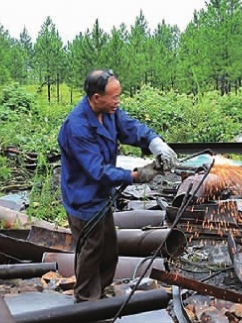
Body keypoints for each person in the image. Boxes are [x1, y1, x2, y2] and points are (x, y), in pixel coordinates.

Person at [57, 69, 178, 302]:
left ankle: (102, 291)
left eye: (118, 96)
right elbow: (97, 170)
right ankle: (85, 301)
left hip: (101, 197)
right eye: (114, 97)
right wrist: (136, 175)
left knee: (109, 249)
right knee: (91, 251)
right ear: (96, 98)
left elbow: (130, 127)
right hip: (83, 199)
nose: (118, 101)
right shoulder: (77, 127)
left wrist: (155, 143)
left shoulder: (109, 112)